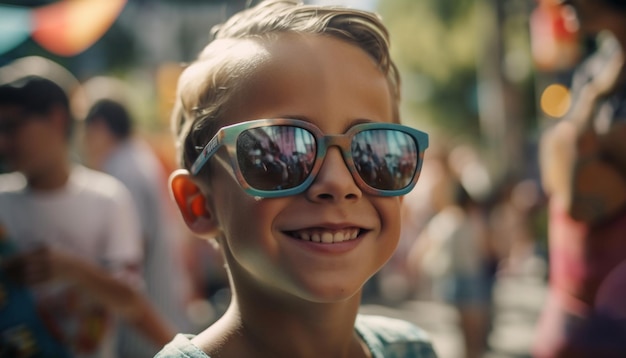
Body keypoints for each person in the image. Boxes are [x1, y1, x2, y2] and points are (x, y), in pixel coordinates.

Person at [155, 1, 438, 357]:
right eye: (280, 152)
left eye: (375, 152)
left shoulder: (411, 350)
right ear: (199, 204)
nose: (339, 183)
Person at [0, 74, 174, 358]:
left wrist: (70, 268)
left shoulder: (108, 198)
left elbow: (131, 300)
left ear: (56, 119)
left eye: (12, 127)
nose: (3, 142)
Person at [536, 0, 626, 356]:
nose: (559, 4)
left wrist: (580, 139)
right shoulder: (595, 69)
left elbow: (570, 161)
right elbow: (561, 174)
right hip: (580, 310)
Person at [82, 98, 195, 357]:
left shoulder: (121, 169)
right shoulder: (138, 156)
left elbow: (132, 246)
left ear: (99, 128)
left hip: (145, 316)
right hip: (162, 303)